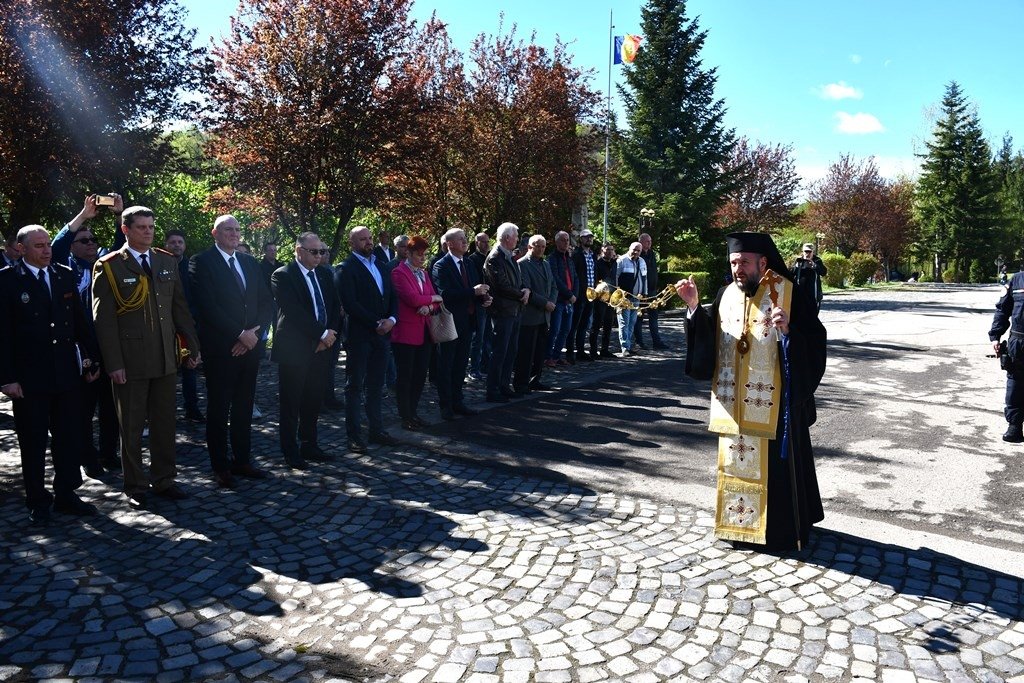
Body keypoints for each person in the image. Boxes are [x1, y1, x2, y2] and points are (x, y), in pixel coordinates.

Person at [677, 231, 827, 551]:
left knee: (778, 472)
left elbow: (815, 342)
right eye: (733, 263)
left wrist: (788, 331)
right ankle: (738, 527)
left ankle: (778, 533)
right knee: (736, 464)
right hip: (734, 406)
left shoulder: (789, 293)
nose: (738, 269)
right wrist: (693, 307)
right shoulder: (726, 294)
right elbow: (709, 341)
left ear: (762, 262)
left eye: (744, 262)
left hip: (775, 407)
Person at [92, 206, 201, 508]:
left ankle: (164, 479)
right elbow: (104, 321)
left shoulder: (166, 261)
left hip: (166, 357)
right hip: (131, 360)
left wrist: (191, 347)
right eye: (141, 227)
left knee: (165, 423)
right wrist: (113, 364)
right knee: (131, 425)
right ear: (125, 229)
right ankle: (136, 483)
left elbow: (180, 308)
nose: (148, 232)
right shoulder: (110, 265)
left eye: (151, 226)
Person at [0, 226, 101, 525]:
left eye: (48, 245)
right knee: (32, 440)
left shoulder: (62, 274)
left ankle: (66, 493)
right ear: (21, 249)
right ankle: (37, 499)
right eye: (39, 246)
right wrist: (6, 377)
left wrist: (92, 359)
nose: (46, 250)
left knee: (68, 436)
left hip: (65, 373)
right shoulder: (7, 281)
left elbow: (79, 322)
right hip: (30, 377)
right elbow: (2, 334)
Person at [189, 215, 274, 487]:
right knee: (219, 408)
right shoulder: (201, 262)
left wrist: (255, 336)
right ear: (215, 232)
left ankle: (242, 460)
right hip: (221, 350)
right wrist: (240, 334)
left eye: (237, 230)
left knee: (244, 407)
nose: (234, 234)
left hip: (250, 349)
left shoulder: (249, 262)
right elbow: (207, 307)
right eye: (228, 230)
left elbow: (265, 301)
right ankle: (220, 466)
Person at [52, 194, 123, 476]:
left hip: (108, 347)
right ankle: (87, 457)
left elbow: (121, 248)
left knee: (110, 407)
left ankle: (109, 453)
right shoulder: (64, 267)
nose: (91, 243)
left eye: (93, 240)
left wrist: (120, 216)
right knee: (82, 411)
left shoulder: (103, 264)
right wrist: (83, 215)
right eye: (85, 240)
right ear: (73, 246)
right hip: (79, 351)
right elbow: (57, 244)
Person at [270, 232, 341, 469]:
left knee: (313, 399)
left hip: (322, 348)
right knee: (291, 402)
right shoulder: (283, 275)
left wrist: (329, 334)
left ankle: (309, 444)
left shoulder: (324, 273)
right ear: (299, 251)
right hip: (295, 349)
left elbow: (333, 306)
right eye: (314, 252)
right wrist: (321, 334)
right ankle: (290, 451)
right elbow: (293, 312)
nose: (319, 256)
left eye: (322, 251)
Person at [337, 225, 399, 452]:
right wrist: (376, 323)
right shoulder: (345, 268)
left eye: (370, 238)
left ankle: (377, 430)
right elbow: (351, 304)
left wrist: (392, 319)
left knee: (376, 385)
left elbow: (393, 296)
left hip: (383, 336)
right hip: (360, 336)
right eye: (362, 239)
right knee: (354, 386)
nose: (368, 242)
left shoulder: (382, 266)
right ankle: (354, 435)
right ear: (352, 243)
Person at [432, 228, 490, 421]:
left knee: (460, 365)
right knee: (446, 364)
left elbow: (475, 289)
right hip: (450, 322)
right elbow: (446, 294)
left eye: (465, 239)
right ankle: (445, 405)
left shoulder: (469, 264)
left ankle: (458, 401)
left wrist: (484, 299)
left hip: (468, 321)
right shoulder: (441, 266)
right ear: (450, 244)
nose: (465, 242)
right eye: (461, 240)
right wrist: (473, 293)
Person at [390, 236, 442, 429]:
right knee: (406, 376)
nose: (422, 258)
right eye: (419, 254)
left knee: (420, 375)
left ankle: (413, 412)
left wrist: (429, 306)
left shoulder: (424, 273)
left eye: (424, 254)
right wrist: (433, 298)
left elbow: (435, 302)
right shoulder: (399, 273)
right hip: (405, 332)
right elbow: (412, 299)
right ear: (408, 253)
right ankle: (405, 416)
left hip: (425, 331)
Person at [483, 222, 529, 403]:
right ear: (507, 238)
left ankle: (504, 385)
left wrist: (525, 289)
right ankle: (493, 389)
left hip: (514, 309)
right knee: (500, 351)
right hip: (503, 310)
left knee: (511, 350)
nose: (517, 239)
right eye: (516, 236)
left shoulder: (509, 256)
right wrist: (521, 294)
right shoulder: (495, 258)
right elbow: (501, 285)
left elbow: (518, 280)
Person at [164, 229, 204, 422]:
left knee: (190, 368)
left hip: (189, 325)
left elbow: (198, 297)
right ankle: (165, 413)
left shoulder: (191, 267)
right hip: (165, 327)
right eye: (173, 242)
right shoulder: (159, 265)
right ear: (166, 245)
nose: (177, 245)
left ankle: (192, 409)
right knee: (166, 372)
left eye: (180, 242)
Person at [515, 234, 557, 392]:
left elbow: (553, 285)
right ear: (529, 247)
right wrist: (545, 303)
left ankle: (535, 380)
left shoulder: (546, 264)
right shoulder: (522, 264)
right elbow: (526, 289)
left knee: (540, 352)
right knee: (526, 352)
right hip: (529, 315)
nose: (540, 249)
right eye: (537, 246)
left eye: (543, 246)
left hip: (544, 316)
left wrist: (551, 301)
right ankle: (521, 383)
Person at [989, 259, 1024, 442]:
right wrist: (995, 336)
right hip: (1019, 342)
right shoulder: (1016, 281)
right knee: (1015, 386)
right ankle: (1015, 426)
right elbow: (1002, 310)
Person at [545, 231, 577, 367]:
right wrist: (569, 294)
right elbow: (556, 280)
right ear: (557, 242)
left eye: (567, 240)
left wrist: (574, 293)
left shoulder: (569, 259)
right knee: (554, 330)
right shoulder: (552, 259)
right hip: (558, 300)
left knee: (566, 330)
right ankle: (547, 357)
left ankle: (557, 356)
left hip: (569, 301)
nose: (566, 243)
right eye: (563, 240)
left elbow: (575, 277)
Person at [634, 232, 669, 350]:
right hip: (642, 291)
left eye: (650, 241)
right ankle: (639, 342)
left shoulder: (652, 253)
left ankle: (656, 341)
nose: (650, 243)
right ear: (641, 242)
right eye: (647, 241)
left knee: (654, 316)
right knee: (639, 317)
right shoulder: (638, 255)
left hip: (653, 290)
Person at [568, 228, 597, 361]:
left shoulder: (593, 254)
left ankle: (580, 351)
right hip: (579, 295)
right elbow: (574, 275)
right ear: (581, 239)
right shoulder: (576, 255)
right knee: (574, 324)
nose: (589, 239)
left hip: (591, 295)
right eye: (586, 237)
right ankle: (570, 352)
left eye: (590, 237)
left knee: (584, 325)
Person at [467, 232, 492, 381]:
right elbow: (475, 281)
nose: (486, 244)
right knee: (479, 337)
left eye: (488, 241)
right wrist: (483, 297)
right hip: (479, 303)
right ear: (477, 243)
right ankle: (474, 368)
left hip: (489, 302)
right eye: (483, 242)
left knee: (488, 336)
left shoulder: (489, 258)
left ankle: (485, 365)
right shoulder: (472, 260)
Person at [616, 242, 648, 357]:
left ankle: (628, 346)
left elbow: (644, 279)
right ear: (629, 248)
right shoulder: (622, 261)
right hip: (625, 298)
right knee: (624, 322)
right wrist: (617, 295)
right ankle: (625, 347)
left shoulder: (642, 261)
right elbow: (616, 278)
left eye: (638, 250)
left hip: (637, 298)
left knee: (632, 322)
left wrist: (645, 293)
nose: (636, 252)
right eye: (634, 249)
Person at [591, 243, 618, 359]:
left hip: (612, 297)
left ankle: (604, 349)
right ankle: (593, 350)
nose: (609, 252)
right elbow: (595, 280)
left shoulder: (615, 264)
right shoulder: (598, 263)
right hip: (600, 298)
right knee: (596, 325)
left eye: (611, 250)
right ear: (602, 250)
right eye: (607, 250)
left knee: (608, 325)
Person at [791, 243, 828, 311]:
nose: (807, 254)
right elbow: (790, 274)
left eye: (809, 252)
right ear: (803, 252)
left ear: (813, 252)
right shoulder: (799, 260)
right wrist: (796, 266)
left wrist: (814, 265)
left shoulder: (817, 260)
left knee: (813, 316)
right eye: (806, 251)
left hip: (814, 295)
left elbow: (823, 272)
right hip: (800, 294)